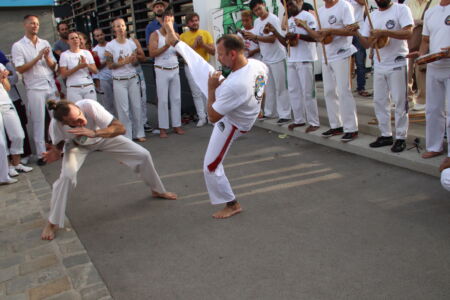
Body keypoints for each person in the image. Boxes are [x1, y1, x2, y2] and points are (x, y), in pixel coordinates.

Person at [164, 15, 268, 218]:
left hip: (234, 123)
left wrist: (212, 89)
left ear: (233, 54)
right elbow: (262, 87)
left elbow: (212, 117)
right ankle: (176, 42)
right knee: (206, 69)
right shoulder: (257, 65)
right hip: (238, 103)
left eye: (221, 54)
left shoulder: (235, 85)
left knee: (210, 167)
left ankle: (232, 204)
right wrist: (258, 105)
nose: (218, 57)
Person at [40, 99, 177, 240]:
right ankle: (52, 222)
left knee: (143, 155)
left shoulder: (89, 106)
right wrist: (54, 153)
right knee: (66, 177)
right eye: (74, 122)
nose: (80, 121)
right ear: (64, 123)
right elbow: (58, 145)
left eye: (80, 116)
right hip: (77, 146)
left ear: (78, 108)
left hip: (102, 137)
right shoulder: (56, 125)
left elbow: (120, 128)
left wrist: (94, 133)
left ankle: (157, 190)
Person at [356, 0, 413, 152]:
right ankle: (386, 134)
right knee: (379, 101)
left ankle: (401, 137)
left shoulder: (401, 9)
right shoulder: (371, 15)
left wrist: (384, 32)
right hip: (379, 64)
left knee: (400, 102)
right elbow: (367, 44)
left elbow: (408, 32)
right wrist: (355, 32)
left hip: (397, 62)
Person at [300, 0, 359, 142]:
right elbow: (318, 37)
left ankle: (351, 128)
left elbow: (351, 29)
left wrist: (331, 30)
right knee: (329, 92)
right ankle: (336, 125)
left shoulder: (344, 5)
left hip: (342, 53)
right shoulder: (320, 12)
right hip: (327, 56)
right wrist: (306, 27)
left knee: (344, 90)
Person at [11, 15, 59, 166]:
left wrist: (47, 58)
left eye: (37, 23)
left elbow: (54, 66)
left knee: (57, 117)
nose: (35, 26)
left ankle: (59, 147)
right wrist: (38, 57)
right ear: (25, 25)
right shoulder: (18, 46)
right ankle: (41, 153)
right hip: (34, 88)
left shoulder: (44, 43)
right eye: (32, 23)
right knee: (39, 121)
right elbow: (20, 68)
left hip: (49, 85)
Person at [267, 0, 320, 133]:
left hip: (305, 59)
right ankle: (299, 119)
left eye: (291, 4)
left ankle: (314, 121)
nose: (289, 7)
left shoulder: (307, 16)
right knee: (293, 91)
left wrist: (298, 35)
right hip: (292, 60)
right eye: (286, 5)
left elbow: (315, 37)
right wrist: (275, 32)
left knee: (308, 92)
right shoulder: (290, 20)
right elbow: (287, 43)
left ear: (298, 2)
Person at [245, 0, 291, 124]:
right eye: (255, 11)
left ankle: (285, 114)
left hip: (277, 57)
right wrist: (248, 36)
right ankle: (271, 112)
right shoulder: (257, 21)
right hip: (266, 58)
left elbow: (272, 39)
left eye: (259, 8)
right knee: (269, 87)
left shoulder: (273, 19)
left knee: (281, 87)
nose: (258, 12)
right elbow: (257, 39)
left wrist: (255, 37)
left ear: (264, 5)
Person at [415, 0, 450, 159]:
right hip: (434, 66)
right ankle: (435, 146)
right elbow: (425, 40)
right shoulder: (431, 12)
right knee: (433, 109)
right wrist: (421, 57)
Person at [105, 18, 146, 142]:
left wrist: (134, 60)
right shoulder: (110, 45)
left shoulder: (131, 43)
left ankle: (139, 133)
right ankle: (127, 135)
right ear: (114, 29)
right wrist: (124, 62)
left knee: (137, 106)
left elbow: (136, 63)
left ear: (125, 27)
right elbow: (109, 65)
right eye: (118, 26)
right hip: (119, 80)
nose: (121, 28)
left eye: (122, 25)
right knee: (123, 109)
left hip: (133, 78)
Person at [149, 23, 185, 138]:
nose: (168, 24)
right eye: (166, 21)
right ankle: (163, 128)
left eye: (171, 21)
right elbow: (152, 53)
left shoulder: (176, 35)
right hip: (161, 69)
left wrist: (178, 45)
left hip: (175, 68)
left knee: (176, 98)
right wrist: (166, 45)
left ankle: (177, 125)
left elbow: (181, 53)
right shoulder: (155, 35)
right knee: (163, 100)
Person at [180, 13, 216, 127]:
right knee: (196, 93)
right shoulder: (183, 37)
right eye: (192, 21)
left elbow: (213, 51)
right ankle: (202, 117)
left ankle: (211, 117)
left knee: (208, 92)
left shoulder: (205, 34)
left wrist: (203, 44)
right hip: (190, 67)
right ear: (188, 23)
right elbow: (183, 54)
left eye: (196, 20)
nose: (195, 23)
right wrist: (195, 45)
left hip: (204, 65)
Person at [0, 63, 33, 178]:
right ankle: (8, 167)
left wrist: (3, 78)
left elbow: (8, 87)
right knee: (2, 140)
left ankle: (16, 163)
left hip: (6, 103)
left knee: (18, 135)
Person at [406, 0, 438, 111]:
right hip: (410, 39)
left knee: (421, 68)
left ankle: (422, 99)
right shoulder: (409, 2)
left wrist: (420, 22)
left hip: (428, 39)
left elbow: (438, 21)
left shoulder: (436, 2)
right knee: (407, 68)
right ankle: (408, 98)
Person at [60, 32, 98, 102]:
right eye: (72, 38)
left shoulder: (87, 53)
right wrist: (78, 67)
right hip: (73, 88)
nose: (75, 40)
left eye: (76, 38)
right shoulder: (64, 55)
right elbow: (63, 74)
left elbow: (95, 71)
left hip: (88, 85)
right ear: (68, 41)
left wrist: (87, 65)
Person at [347, 0, 370, 97]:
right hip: (346, 29)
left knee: (360, 60)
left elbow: (363, 3)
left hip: (358, 29)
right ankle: (346, 87)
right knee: (345, 60)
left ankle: (361, 87)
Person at [93, 28, 115, 116]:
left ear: (104, 35)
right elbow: (97, 67)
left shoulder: (112, 45)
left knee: (121, 102)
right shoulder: (95, 50)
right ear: (95, 38)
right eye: (97, 36)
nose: (100, 37)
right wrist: (107, 59)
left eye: (101, 35)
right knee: (108, 103)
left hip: (116, 76)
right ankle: (112, 123)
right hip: (104, 79)